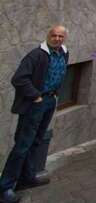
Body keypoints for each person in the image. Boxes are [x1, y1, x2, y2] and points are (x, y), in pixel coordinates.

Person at [0, 26, 68, 203]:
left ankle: (26, 178)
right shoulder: (36, 55)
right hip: (35, 104)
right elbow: (18, 79)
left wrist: (54, 94)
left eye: (61, 36)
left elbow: (60, 72)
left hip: (49, 101)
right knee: (23, 144)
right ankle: (5, 188)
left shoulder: (63, 52)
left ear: (64, 38)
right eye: (54, 35)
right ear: (48, 36)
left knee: (36, 141)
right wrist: (35, 96)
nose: (57, 38)